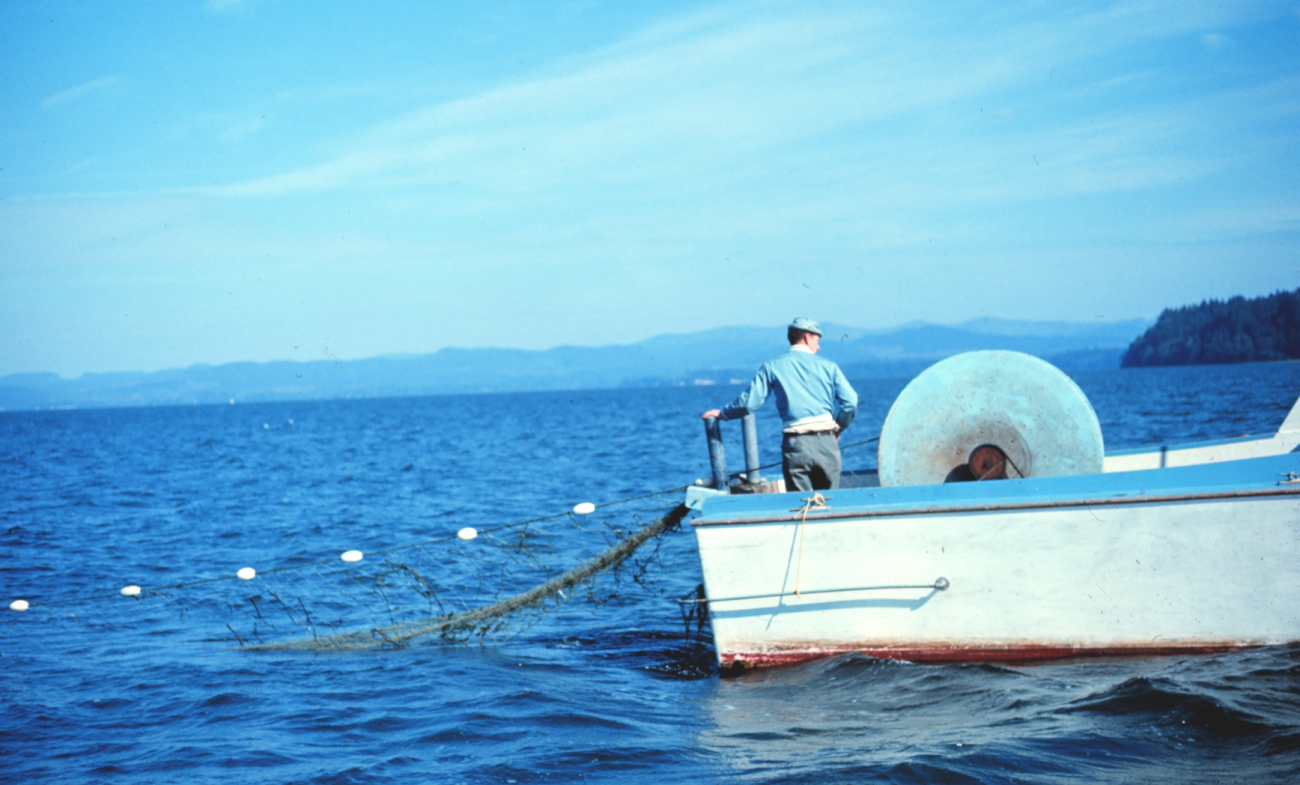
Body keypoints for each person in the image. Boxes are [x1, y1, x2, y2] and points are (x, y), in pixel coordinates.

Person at [702, 318, 858, 491]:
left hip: (796, 444)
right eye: (817, 340)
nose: (818, 346)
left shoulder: (772, 366)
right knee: (830, 502)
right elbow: (851, 402)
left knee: (801, 504)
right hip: (827, 443)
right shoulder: (829, 367)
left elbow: (749, 404)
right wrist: (839, 427)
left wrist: (723, 413)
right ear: (807, 337)